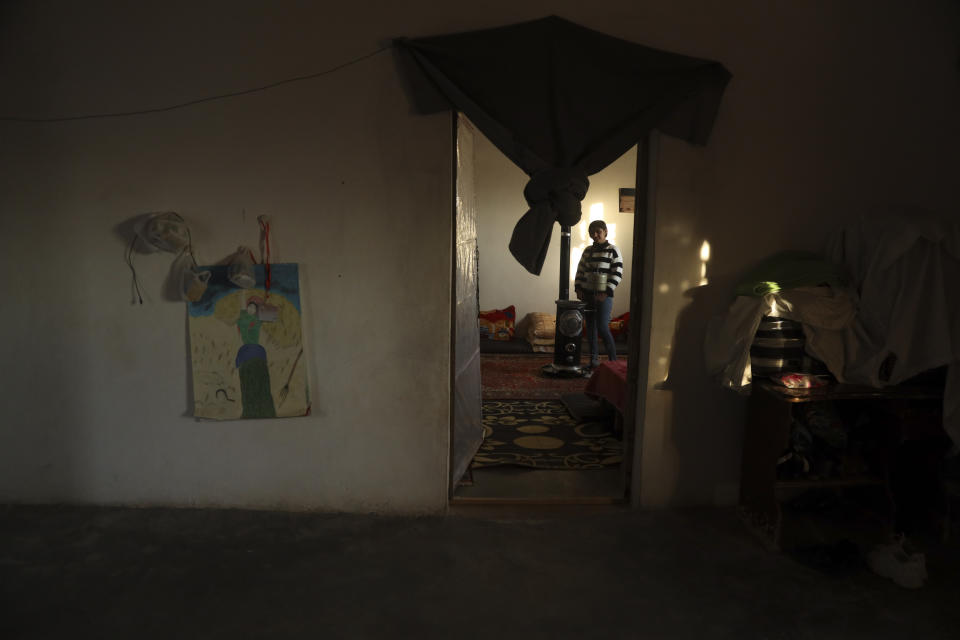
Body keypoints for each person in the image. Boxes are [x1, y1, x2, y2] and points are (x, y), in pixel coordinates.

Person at [574, 220, 623, 369]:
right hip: (587, 296)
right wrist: (578, 288)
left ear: (605, 231)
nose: (595, 235)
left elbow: (617, 273)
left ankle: (614, 362)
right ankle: (593, 361)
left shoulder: (613, 250)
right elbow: (580, 270)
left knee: (602, 327)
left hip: (604, 297)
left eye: (598, 232)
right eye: (592, 232)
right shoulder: (587, 251)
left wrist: (606, 292)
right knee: (590, 329)